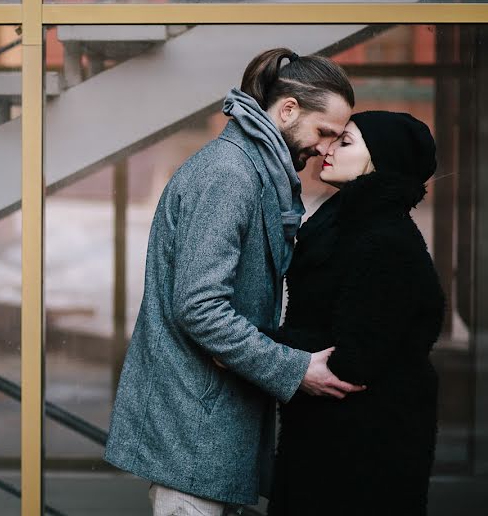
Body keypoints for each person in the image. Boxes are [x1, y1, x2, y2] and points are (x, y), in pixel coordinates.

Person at [104, 47, 364, 516]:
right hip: (194, 431)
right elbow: (200, 307)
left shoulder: (255, 171)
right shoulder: (230, 174)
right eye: (325, 132)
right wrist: (295, 368)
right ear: (287, 110)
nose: (326, 148)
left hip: (209, 430)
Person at [266, 111, 444, 516]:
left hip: (364, 451)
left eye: (344, 143)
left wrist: (250, 344)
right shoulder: (344, 225)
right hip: (330, 438)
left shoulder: (384, 241)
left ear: (379, 162)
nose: (326, 149)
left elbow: (352, 360)